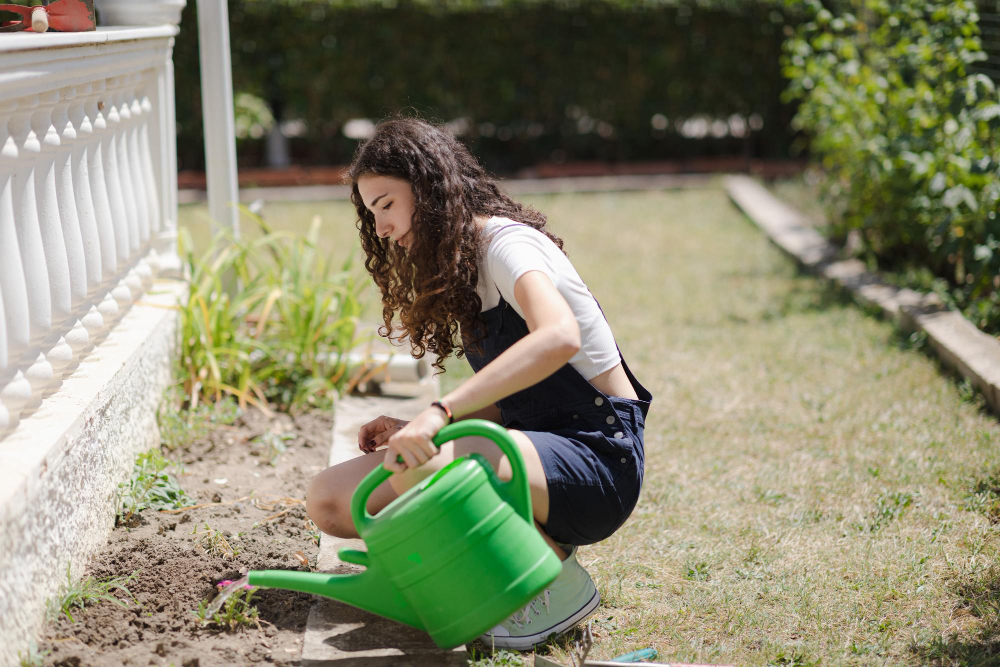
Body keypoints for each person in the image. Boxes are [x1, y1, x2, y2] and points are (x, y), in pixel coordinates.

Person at [305, 115, 652, 651]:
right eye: (372, 213)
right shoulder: (462, 271)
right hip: (526, 454)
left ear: (428, 188)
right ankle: (492, 565)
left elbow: (558, 336)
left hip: (600, 457)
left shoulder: (507, 244)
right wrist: (414, 429)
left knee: (447, 459)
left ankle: (552, 584)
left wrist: (440, 415)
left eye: (387, 205)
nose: (381, 228)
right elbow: (518, 405)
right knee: (330, 499)